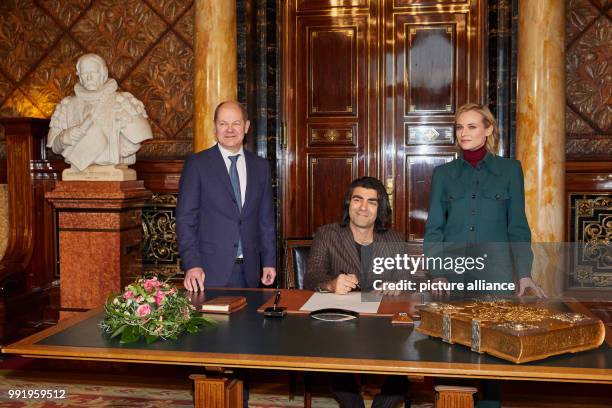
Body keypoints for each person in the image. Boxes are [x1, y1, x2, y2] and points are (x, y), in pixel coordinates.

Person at [304, 176, 409, 408]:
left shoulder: (395, 240)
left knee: (407, 360)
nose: (363, 207)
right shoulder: (327, 234)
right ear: (348, 203)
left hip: (383, 327)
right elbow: (311, 277)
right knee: (336, 363)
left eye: (372, 202)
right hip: (341, 325)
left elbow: (406, 280)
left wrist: (397, 286)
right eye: (358, 199)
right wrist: (331, 284)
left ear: (380, 209)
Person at [424, 102, 546, 299]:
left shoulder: (510, 170)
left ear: (488, 129)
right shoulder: (443, 174)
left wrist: (524, 273)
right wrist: (437, 273)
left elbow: (518, 227)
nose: (464, 133)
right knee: (453, 329)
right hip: (453, 275)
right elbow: (434, 229)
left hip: (496, 274)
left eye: (472, 127)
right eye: (459, 127)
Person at [176, 101, 276, 292]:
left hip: (251, 271)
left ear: (246, 126)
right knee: (215, 323)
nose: (229, 130)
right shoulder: (197, 164)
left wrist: (269, 262)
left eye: (236, 123)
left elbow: (266, 219)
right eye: (223, 124)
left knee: (250, 322)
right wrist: (192, 264)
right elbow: (185, 219)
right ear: (215, 127)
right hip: (209, 271)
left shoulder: (260, 167)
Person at [47, 53, 152, 172]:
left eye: (94, 72)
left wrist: (114, 148)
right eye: (85, 73)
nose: (89, 77)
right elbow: (55, 147)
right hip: (77, 173)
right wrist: (65, 137)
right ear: (79, 76)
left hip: (113, 172)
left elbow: (136, 141)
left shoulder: (122, 101)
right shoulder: (67, 105)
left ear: (104, 74)